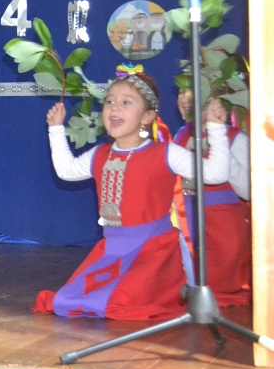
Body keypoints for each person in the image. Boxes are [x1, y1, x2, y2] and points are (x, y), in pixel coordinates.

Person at [35, 67, 231, 320]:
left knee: (121, 304)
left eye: (126, 103)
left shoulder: (166, 153)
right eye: (110, 102)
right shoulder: (100, 154)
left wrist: (216, 128)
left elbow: (215, 174)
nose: (115, 108)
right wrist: (56, 129)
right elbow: (66, 170)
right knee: (66, 302)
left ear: (147, 116)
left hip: (154, 252)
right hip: (112, 251)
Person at [173, 88, 251, 306]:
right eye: (182, 92)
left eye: (198, 94)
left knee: (219, 281)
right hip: (187, 218)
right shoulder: (181, 135)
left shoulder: (235, 137)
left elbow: (248, 190)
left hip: (222, 225)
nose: (186, 99)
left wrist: (221, 149)